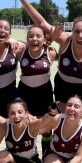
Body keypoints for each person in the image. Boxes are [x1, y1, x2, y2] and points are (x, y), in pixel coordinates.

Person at [13, 0, 82, 122]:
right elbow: (41, 23)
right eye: (76, 31)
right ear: (71, 32)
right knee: (62, 124)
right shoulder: (65, 41)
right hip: (63, 88)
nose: (80, 35)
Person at [15, 24, 58, 154]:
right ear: (27, 40)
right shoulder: (20, 52)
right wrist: (12, 40)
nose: (34, 39)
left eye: (38, 36)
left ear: (44, 40)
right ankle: (27, 153)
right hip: (24, 92)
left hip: (44, 93)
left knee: (46, 128)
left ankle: (46, 154)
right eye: (31, 36)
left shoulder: (50, 52)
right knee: (24, 124)